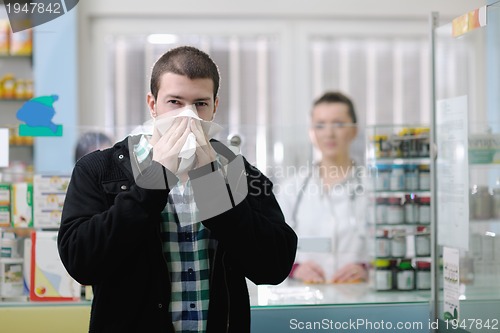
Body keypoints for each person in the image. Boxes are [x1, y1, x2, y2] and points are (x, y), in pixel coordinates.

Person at [58, 46, 297, 332]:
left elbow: (273, 267)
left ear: (214, 107)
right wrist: (155, 181)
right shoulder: (99, 169)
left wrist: (212, 185)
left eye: (200, 104)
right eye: (174, 102)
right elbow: (81, 262)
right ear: (152, 104)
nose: (188, 116)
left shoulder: (239, 170)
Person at [277, 91, 368, 284]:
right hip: (306, 299)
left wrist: (369, 268)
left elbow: (398, 244)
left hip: (360, 297)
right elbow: (273, 245)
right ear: (312, 132)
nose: (329, 133)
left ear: (354, 130)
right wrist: (295, 268)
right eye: (320, 125)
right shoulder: (292, 189)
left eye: (339, 124)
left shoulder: (374, 187)